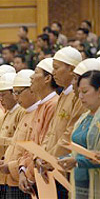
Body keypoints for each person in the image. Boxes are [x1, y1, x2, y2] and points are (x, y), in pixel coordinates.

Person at [39, 47, 86, 198]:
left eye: (56, 68)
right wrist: (43, 155)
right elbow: (51, 131)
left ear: (71, 69)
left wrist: (50, 158)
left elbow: (69, 133)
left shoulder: (78, 96)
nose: (53, 73)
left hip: (64, 165)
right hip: (52, 163)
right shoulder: (62, 94)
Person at [0, 69, 39, 199]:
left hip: (24, 176)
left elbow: (30, 149)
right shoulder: (23, 112)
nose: (16, 97)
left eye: (17, 93)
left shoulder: (27, 112)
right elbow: (15, 145)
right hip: (12, 175)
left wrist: (15, 167)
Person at [18, 58, 59, 194]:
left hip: (43, 173)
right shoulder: (42, 104)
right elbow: (31, 144)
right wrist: (23, 169)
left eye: (36, 73)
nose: (31, 76)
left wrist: (28, 174)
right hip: (33, 172)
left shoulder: (53, 104)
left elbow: (44, 145)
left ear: (47, 78)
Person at [58, 70, 100, 199]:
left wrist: (77, 161)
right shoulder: (84, 117)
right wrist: (58, 161)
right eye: (79, 92)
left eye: (85, 91)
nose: (80, 96)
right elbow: (78, 151)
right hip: (80, 183)